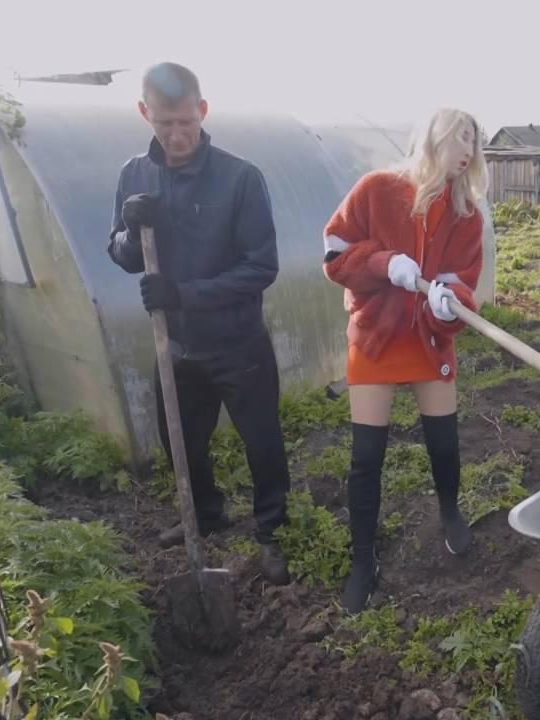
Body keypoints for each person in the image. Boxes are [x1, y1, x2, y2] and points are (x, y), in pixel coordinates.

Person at [108, 62, 291, 585]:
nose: (177, 134)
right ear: (145, 113)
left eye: (186, 121)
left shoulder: (240, 178)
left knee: (261, 440)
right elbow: (118, 251)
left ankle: (272, 528)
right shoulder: (133, 177)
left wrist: (182, 294)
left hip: (239, 344)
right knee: (181, 441)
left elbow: (261, 267)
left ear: (203, 110)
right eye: (165, 123)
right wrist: (133, 230)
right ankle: (207, 513)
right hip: (177, 345)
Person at [322, 108, 488, 612]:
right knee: (366, 456)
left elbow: (465, 283)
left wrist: (450, 303)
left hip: (428, 342)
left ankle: (450, 511)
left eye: (474, 142)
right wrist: (382, 262)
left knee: (443, 439)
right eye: (461, 138)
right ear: (434, 138)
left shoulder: (467, 215)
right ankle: (362, 561)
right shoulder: (376, 190)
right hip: (374, 339)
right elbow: (334, 255)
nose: (468, 151)